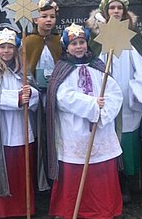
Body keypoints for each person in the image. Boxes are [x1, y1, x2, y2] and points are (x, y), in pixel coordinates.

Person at [46, 23, 123, 218]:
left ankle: (103, 208)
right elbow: (62, 97)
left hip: (100, 129)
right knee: (75, 171)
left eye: (81, 42)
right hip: (73, 131)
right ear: (66, 47)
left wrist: (102, 115)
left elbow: (115, 94)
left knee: (100, 171)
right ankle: (72, 209)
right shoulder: (62, 69)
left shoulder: (98, 67)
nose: (79, 47)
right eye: (74, 44)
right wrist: (92, 106)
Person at [86, 0, 142, 203]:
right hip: (104, 100)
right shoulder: (96, 38)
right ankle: (106, 184)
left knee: (125, 142)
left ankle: (125, 184)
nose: (115, 11)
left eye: (119, 8)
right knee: (104, 141)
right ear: (105, 11)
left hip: (126, 101)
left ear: (124, 11)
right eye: (111, 8)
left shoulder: (133, 37)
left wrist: (136, 92)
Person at [0, 28, 39, 218]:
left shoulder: (24, 71)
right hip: (2, 131)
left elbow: (35, 93)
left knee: (22, 172)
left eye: (10, 47)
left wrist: (31, 95)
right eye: (3, 47)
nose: (6, 51)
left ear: (16, 49)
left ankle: (24, 207)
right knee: (6, 170)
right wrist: (19, 99)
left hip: (22, 129)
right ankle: (5, 209)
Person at [23, 0, 62, 191]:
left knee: (55, 138)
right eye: (44, 16)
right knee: (38, 138)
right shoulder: (29, 42)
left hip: (55, 98)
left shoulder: (58, 41)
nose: (48, 20)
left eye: (52, 17)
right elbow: (24, 68)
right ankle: (38, 182)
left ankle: (55, 180)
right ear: (36, 19)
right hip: (36, 99)